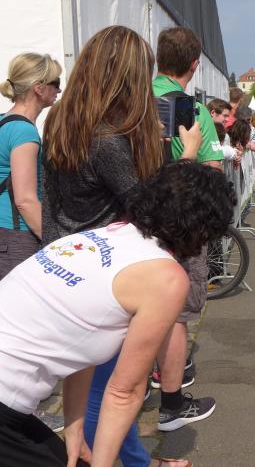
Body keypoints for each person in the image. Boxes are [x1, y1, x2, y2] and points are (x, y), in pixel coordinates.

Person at [0, 160, 233, 467]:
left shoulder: (99, 237)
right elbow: (125, 392)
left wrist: (74, 428)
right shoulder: (166, 278)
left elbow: (82, 342)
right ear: (203, 229)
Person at [42, 25, 201, 467]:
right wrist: (186, 156)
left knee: (91, 380)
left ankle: (124, 457)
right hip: (107, 269)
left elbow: (54, 199)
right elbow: (150, 208)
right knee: (113, 386)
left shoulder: (61, 122)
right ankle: (128, 461)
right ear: (129, 77)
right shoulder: (109, 140)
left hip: (68, 258)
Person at [150, 27, 224, 433]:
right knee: (175, 313)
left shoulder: (135, 99)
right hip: (181, 222)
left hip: (133, 216)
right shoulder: (193, 110)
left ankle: (142, 376)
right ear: (194, 65)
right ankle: (172, 405)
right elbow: (211, 169)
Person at [0, 53, 61, 278]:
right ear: (39, 88)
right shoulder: (24, 132)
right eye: (56, 83)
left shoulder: (3, 121)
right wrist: (56, 243)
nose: (59, 90)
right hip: (17, 235)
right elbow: (25, 200)